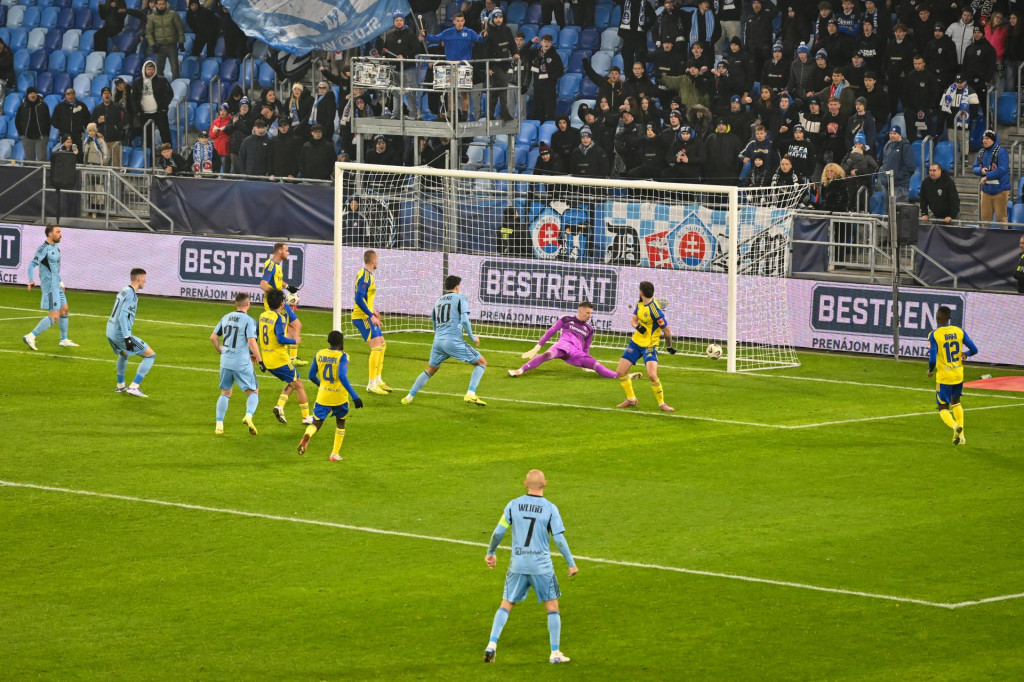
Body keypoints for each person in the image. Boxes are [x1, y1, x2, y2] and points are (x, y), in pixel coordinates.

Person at [482, 469, 578, 665]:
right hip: (541, 567)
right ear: (545, 484)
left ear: (525, 484)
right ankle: (555, 653)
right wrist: (571, 563)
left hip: (518, 564)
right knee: (552, 606)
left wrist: (491, 552)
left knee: (506, 604)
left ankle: (492, 644)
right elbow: (559, 539)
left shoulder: (513, 505)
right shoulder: (550, 508)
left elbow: (498, 533)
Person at [401, 274, 488, 406]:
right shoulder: (460, 298)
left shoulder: (438, 301)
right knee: (482, 363)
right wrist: (472, 336)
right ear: (457, 287)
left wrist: (441, 333)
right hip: (452, 341)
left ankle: (409, 396)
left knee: (430, 370)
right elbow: (464, 320)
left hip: (438, 341)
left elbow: (434, 321)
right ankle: (471, 393)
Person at [509, 302, 643, 381]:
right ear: (580, 311)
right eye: (588, 313)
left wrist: (586, 364)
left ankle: (625, 376)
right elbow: (551, 332)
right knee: (547, 355)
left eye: (591, 313)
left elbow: (586, 349)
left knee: (597, 366)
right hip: (563, 346)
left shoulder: (589, 329)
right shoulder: (566, 319)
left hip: (577, 353)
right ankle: (520, 370)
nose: (590, 316)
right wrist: (537, 347)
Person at [297, 331, 364, 461]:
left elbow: (311, 375)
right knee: (340, 423)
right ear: (342, 342)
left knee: (316, 422)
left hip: (323, 396)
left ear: (328, 341)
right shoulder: (343, 356)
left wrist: (321, 385)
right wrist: (355, 396)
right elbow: (342, 376)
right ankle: (334, 454)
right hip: (339, 397)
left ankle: (308, 434)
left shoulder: (319, 354)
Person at [614, 281, 677, 412]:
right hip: (635, 343)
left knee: (652, 375)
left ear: (641, 292)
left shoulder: (655, 311)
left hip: (649, 346)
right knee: (620, 371)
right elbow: (633, 321)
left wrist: (669, 346)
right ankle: (631, 399)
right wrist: (638, 327)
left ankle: (662, 404)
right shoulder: (640, 304)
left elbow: (667, 331)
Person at [210, 292, 263, 436]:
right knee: (253, 391)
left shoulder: (225, 317)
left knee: (226, 392)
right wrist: (260, 360)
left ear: (236, 303)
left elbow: (213, 337)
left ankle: (219, 425)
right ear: (248, 304)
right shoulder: (249, 320)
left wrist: (220, 350)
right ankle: (248, 415)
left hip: (225, 361)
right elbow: (252, 342)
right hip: (241, 363)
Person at [259, 289, 312, 425]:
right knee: (299, 384)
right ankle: (306, 417)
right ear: (282, 303)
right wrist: (295, 341)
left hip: (267, 359)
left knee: (293, 382)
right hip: (279, 359)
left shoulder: (263, 315)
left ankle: (279, 406)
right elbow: (281, 338)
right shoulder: (279, 318)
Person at [927, 305, 978, 446]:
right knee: (956, 403)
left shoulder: (934, 335)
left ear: (937, 318)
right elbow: (974, 349)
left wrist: (930, 370)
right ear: (949, 318)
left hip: (944, 377)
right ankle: (962, 437)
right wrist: (965, 354)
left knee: (943, 408)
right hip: (958, 374)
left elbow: (932, 359)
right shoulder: (959, 331)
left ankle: (955, 427)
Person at [23, 224, 78, 350]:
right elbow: (32, 265)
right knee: (54, 316)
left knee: (64, 309)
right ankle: (31, 336)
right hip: (50, 287)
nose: (60, 234)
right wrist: (31, 280)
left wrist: (61, 282)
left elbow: (55, 269)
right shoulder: (43, 249)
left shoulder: (56, 247)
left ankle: (64, 339)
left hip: (56, 285)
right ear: (50, 234)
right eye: (58, 232)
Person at [105, 268, 156, 398]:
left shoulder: (123, 290)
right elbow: (123, 316)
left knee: (123, 354)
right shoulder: (132, 295)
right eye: (144, 278)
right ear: (138, 278)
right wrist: (127, 337)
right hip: (120, 333)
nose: (145, 281)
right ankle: (134, 387)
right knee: (150, 355)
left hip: (110, 330)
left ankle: (120, 385)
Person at [352, 249, 391, 395]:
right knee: (376, 348)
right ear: (373, 261)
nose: (378, 262)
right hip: (362, 317)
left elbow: (364, 298)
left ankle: (378, 379)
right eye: (377, 260)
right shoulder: (365, 277)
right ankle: (371, 383)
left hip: (367, 315)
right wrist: (370, 315)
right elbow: (358, 298)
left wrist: (372, 311)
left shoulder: (367, 275)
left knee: (382, 344)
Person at [260, 242, 305, 368]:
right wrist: (276, 294)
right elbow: (263, 284)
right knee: (290, 327)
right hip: (274, 304)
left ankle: (292, 357)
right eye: (286, 250)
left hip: (280, 302)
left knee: (294, 326)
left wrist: (288, 287)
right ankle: (286, 358)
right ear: (279, 251)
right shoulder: (270, 265)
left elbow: (277, 280)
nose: (288, 252)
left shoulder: (276, 265)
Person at [132, 60, 173, 150]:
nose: (151, 71)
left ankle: (169, 158)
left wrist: (164, 107)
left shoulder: (161, 80)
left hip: (159, 113)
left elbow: (170, 93)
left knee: (165, 135)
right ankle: (149, 160)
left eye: (152, 69)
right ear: (144, 70)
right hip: (144, 114)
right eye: (149, 69)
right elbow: (133, 98)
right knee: (147, 138)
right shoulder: (138, 82)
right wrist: (138, 111)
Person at [974, 130, 1011, 225]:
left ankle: (1004, 239)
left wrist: (987, 176)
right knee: (985, 220)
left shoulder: (1001, 152)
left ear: (993, 140)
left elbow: (1003, 169)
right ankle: (986, 239)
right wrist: (980, 170)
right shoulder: (981, 152)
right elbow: (974, 168)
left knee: (1001, 219)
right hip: (986, 191)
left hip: (1001, 190)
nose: (984, 141)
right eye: (983, 138)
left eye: (987, 138)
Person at [146, 0, 185, 81]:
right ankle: (161, 88)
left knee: (175, 69)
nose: (161, 6)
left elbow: (180, 29)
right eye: (159, 4)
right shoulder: (151, 17)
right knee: (159, 70)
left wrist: (181, 42)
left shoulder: (173, 14)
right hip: (159, 46)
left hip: (172, 45)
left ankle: (176, 87)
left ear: (166, 4)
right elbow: (149, 33)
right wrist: (152, 45)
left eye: (163, 4)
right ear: (156, 5)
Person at [15, 87, 52, 162]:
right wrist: (21, 135)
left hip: (41, 137)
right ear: (27, 95)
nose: (33, 95)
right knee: (29, 161)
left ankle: (43, 174)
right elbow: (17, 121)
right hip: (27, 138)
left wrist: (46, 135)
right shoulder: (22, 106)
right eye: (31, 93)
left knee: (42, 159)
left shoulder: (43, 105)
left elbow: (48, 120)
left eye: (34, 93)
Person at [91, 87, 125, 166]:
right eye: (104, 94)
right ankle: (103, 178)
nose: (106, 95)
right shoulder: (97, 108)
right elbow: (92, 124)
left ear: (111, 95)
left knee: (117, 163)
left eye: (108, 93)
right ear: (102, 96)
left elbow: (125, 120)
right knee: (103, 163)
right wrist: (98, 122)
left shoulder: (118, 107)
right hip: (102, 141)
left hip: (115, 140)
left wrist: (117, 127)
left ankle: (116, 178)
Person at [881, 126, 915, 202]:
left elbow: (910, 166)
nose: (892, 135)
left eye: (895, 133)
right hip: (887, 184)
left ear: (900, 134)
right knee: (888, 212)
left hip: (900, 186)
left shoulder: (906, 146)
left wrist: (897, 177)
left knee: (900, 211)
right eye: (891, 133)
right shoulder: (888, 146)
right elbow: (884, 162)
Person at [52, 88, 91, 155]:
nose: (70, 96)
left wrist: (82, 126)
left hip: (78, 135)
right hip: (65, 136)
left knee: (78, 155)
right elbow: (53, 120)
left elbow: (88, 118)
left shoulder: (81, 105)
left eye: (72, 94)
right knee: (65, 156)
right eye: (68, 94)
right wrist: (62, 127)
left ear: (75, 95)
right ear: (65, 95)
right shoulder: (59, 107)